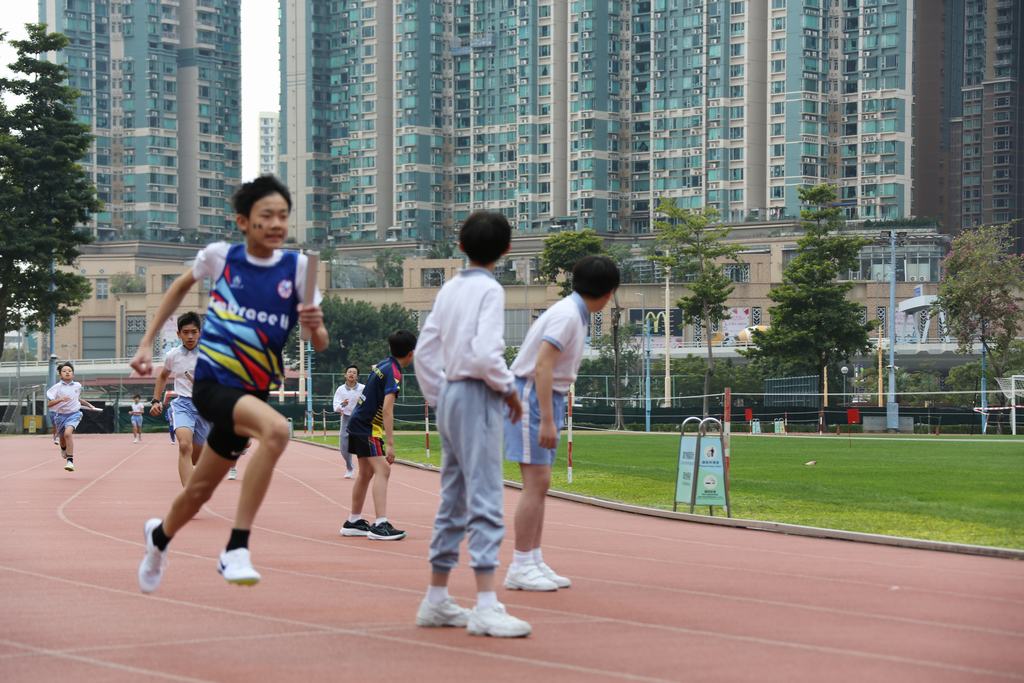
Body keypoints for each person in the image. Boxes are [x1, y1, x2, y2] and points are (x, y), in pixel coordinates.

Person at [130, 175, 327, 593]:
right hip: (212, 385)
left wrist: (314, 325)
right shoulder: (221, 257)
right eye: (266, 215)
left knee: (199, 490)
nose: (276, 224)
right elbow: (179, 288)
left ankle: (158, 538)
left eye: (283, 216)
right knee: (277, 430)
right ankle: (236, 547)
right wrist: (146, 342)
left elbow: (319, 341)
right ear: (243, 221)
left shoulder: (301, 270)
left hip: (253, 393)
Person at [413, 210, 530, 638]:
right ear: (507, 250)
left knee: (454, 497)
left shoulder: (449, 288)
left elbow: (425, 352)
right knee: (485, 495)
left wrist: (439, 396)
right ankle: (484, 603)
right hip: (477, 393)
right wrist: (509, 390)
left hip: (450, 393)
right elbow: (484, 354)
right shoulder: (490, 290)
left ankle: (437, 597)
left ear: (460, 246)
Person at [503, 255, 619, 592]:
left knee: (540, 483)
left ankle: (533, 558)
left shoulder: (574, 313)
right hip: (531, 394)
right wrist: (547, 421)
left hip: (543, 395)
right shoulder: (568, 316)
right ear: (609, 293)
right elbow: (542, 366)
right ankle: (520, 565)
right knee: (535, 483)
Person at [340, 331, 415, 542]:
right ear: (411, 353)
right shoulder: (394, 372)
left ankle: (353, 521)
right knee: (383, 469)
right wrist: (390, 443)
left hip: (358, 423)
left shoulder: (384, 364)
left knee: (365, 473)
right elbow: (388, 409)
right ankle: (380, 524)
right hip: (367, 427)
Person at [149, 312, 216, 486]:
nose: (190, 336)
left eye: (194, 332)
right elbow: (163, 376)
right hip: (183, 405)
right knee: (185, 446)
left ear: (200, 332)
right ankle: (188, 493)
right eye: (185, 332)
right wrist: (156, 400)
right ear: (178, 334)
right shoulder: (173, 355)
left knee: (197, 457)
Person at [46, 362, 101, 472]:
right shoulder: (56, 387)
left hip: (74, 414)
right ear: (60, 374)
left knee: (68, 434)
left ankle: (70, 461)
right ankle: (63, 448)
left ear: (73, 374)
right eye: (64, 371)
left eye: (69, 371)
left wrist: (89, 405)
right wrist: (60, 399)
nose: (67, 372)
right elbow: (49, 404)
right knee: (62, 439)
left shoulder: (77, 386)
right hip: (60, 416)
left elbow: (77, 399)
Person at [332, 364, 364, 479]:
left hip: (360, 419)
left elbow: (369, 400)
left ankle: (364, 469)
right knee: (344, 447)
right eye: (349, 372)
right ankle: (349, 467)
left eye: (354, 373)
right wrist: (343, 405)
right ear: (345, 375)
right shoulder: (340, 390)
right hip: (346, 418)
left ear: (357, 376)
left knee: (362, 445)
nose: (351, 374)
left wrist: (362, 404)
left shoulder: (363, 388)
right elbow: (335, 407)